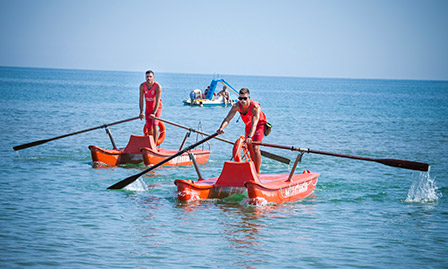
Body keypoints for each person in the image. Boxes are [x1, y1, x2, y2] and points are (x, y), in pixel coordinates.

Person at [217, 88, 267, 173]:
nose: (242, 101)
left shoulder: (255, 107)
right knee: (250, 147)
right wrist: (221, 128)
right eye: (240, 98)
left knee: (255, 147)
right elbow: (228, 119)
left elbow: (254, 123)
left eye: (245, 98)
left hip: (259, 125)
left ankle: (258, 173)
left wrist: (250, 137)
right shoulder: (236, 106)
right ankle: (253, 171)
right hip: (248, 126)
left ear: (249, 98)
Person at [139, 70, 162, 144]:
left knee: (155, 124)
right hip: (148, 109)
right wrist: (141, 112)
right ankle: (150, 144)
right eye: (147, 77)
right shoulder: (142, 86)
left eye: (150, 77)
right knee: (149, 128)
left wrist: (154, 113)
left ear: (153, 77)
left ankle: (154, 146)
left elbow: (158, 100)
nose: (149, 78)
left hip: (157, 108)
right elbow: (141, 99)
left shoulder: (157, 86)